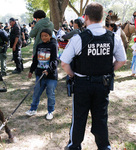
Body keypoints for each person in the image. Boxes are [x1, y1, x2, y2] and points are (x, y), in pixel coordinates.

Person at [61, 3, 126, 150]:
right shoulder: (113, 37)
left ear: (86, 18)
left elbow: (64, 63)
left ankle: (74, 146)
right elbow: (122, 60)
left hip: (82, 84)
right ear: (102, 17)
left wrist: (72, 75)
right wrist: (108, 71)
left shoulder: (78, 38)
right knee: (101, 118)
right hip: (103, 84)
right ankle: (104, 147)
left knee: (79, 117)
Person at [26, 29, 58, 120]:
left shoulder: (53, 45)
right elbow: (35, 60)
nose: (44, 37)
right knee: (36, 92)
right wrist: (31, 71)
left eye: (46, 35)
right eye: (42, 36)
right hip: (40, 74)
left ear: (50, 36)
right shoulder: (39, 46)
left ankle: (50, 111)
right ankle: (33, 109)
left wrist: (48, 70)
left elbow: (55, 61)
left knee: (50, 94)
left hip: (51, 76)